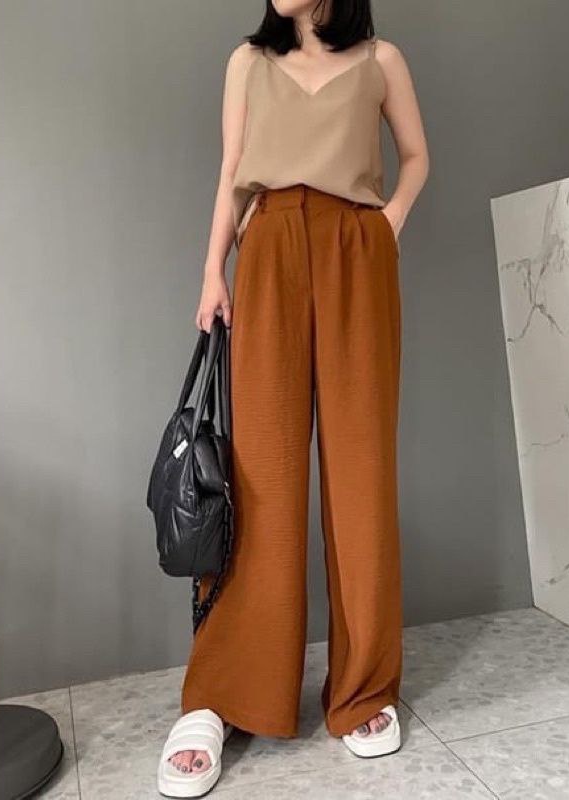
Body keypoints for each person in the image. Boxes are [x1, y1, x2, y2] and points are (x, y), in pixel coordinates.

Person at [158, 1, 429, 796]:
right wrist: (212, 271)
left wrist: (386, 226)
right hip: (269, 246)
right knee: (260, 478)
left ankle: (363, 689)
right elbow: (232, 172)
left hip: (356, 251)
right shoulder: (247, 62)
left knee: (361, 477)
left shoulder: (381, 61)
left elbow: (416, 156)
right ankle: (224, 693)